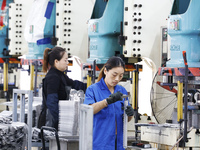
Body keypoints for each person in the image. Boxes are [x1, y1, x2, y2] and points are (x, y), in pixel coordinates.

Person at [84, 56, 134, 150]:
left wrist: (130, 114)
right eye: (114, 75)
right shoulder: (93, 89)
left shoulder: (121, 90)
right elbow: (89, 110)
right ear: (106, 71)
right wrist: (107, 101)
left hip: (118, 143)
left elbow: (125, 119)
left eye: (121, 76)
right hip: (101, 143)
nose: (117, 79)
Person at [38, 46, 87, 130]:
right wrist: (60, 123)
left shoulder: (60, 75)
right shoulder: (53, 77)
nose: (67, 62)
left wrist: (91, 87)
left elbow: (74, 84)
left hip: (54, 121)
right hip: (50, 123)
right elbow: (51, 103)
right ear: (56, 61)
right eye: (65, 60)